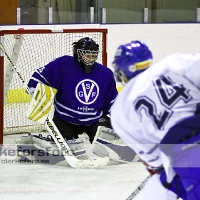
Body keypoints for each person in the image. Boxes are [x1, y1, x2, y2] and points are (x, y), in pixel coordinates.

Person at [111, 40, 200, 200]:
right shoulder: (171, 63)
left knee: (156, 189)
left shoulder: (120, 109)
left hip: (187, 153)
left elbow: (156, 161)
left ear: (122, 72)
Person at [16, 37, 118, 165]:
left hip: (94, 120)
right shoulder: (62, 65)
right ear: (78, 53)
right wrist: (34, 87)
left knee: (113, 139)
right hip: (65, 120)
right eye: (87, 55)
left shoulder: (105, 73)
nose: (91, 59)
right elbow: (41, 75)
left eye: (93, 56)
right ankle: (30, 147)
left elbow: (112, 100)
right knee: (59, 153)